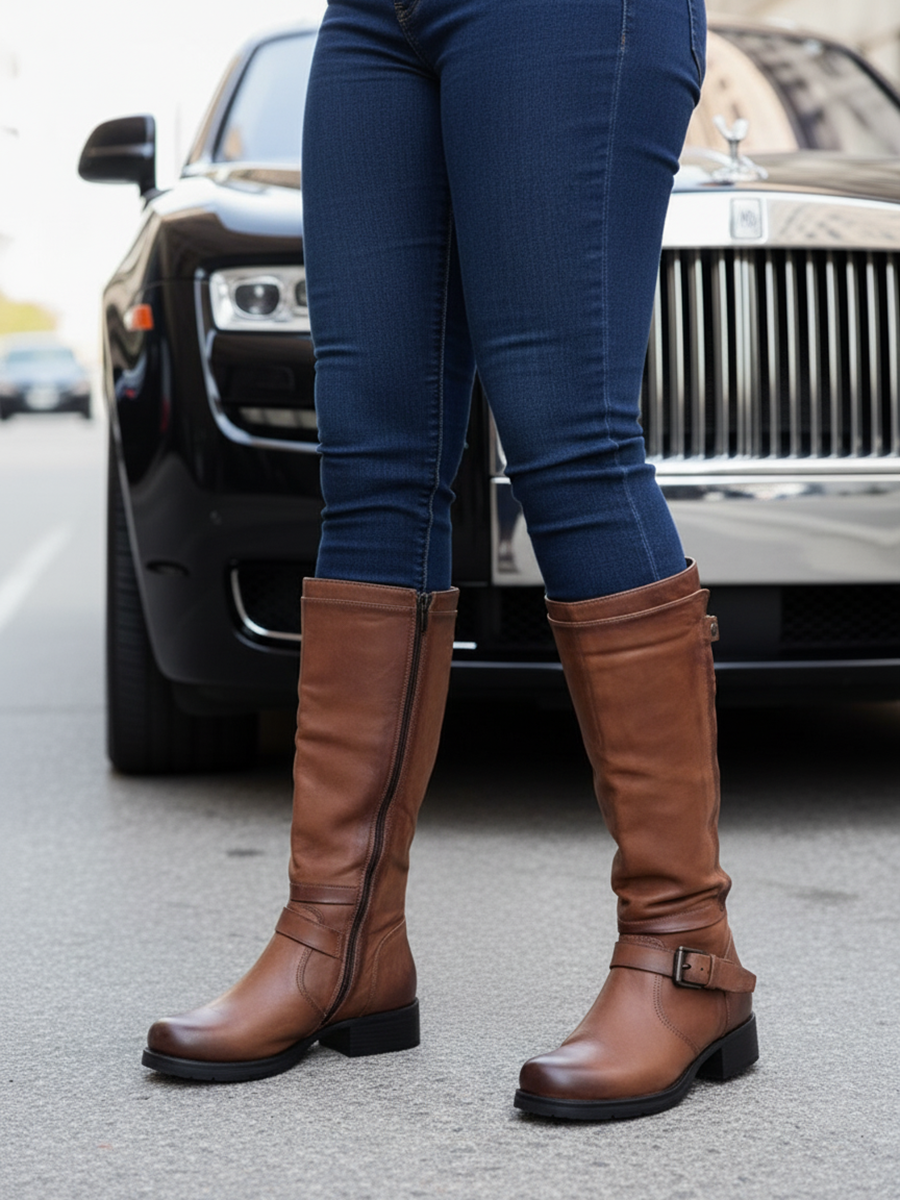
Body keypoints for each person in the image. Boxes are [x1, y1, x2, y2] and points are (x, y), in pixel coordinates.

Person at [142, 0, 758, 1119]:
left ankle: (685, 953)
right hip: (376, 19)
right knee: (372, 458)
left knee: (569, 438)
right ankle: (340, 940)